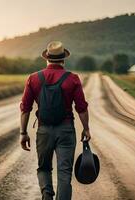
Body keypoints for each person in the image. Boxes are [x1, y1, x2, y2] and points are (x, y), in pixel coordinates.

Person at [19, 41, 91, 200]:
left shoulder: (33, 78)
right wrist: (86, 129)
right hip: (66, 130)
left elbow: (25, 108)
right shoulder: (72, 79)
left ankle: (47, 195)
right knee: (64, 172)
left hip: (44, 131)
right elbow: (81, 107)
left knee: (44, 168)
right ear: (63, 59)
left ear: (47, 58)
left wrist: (23, 133)